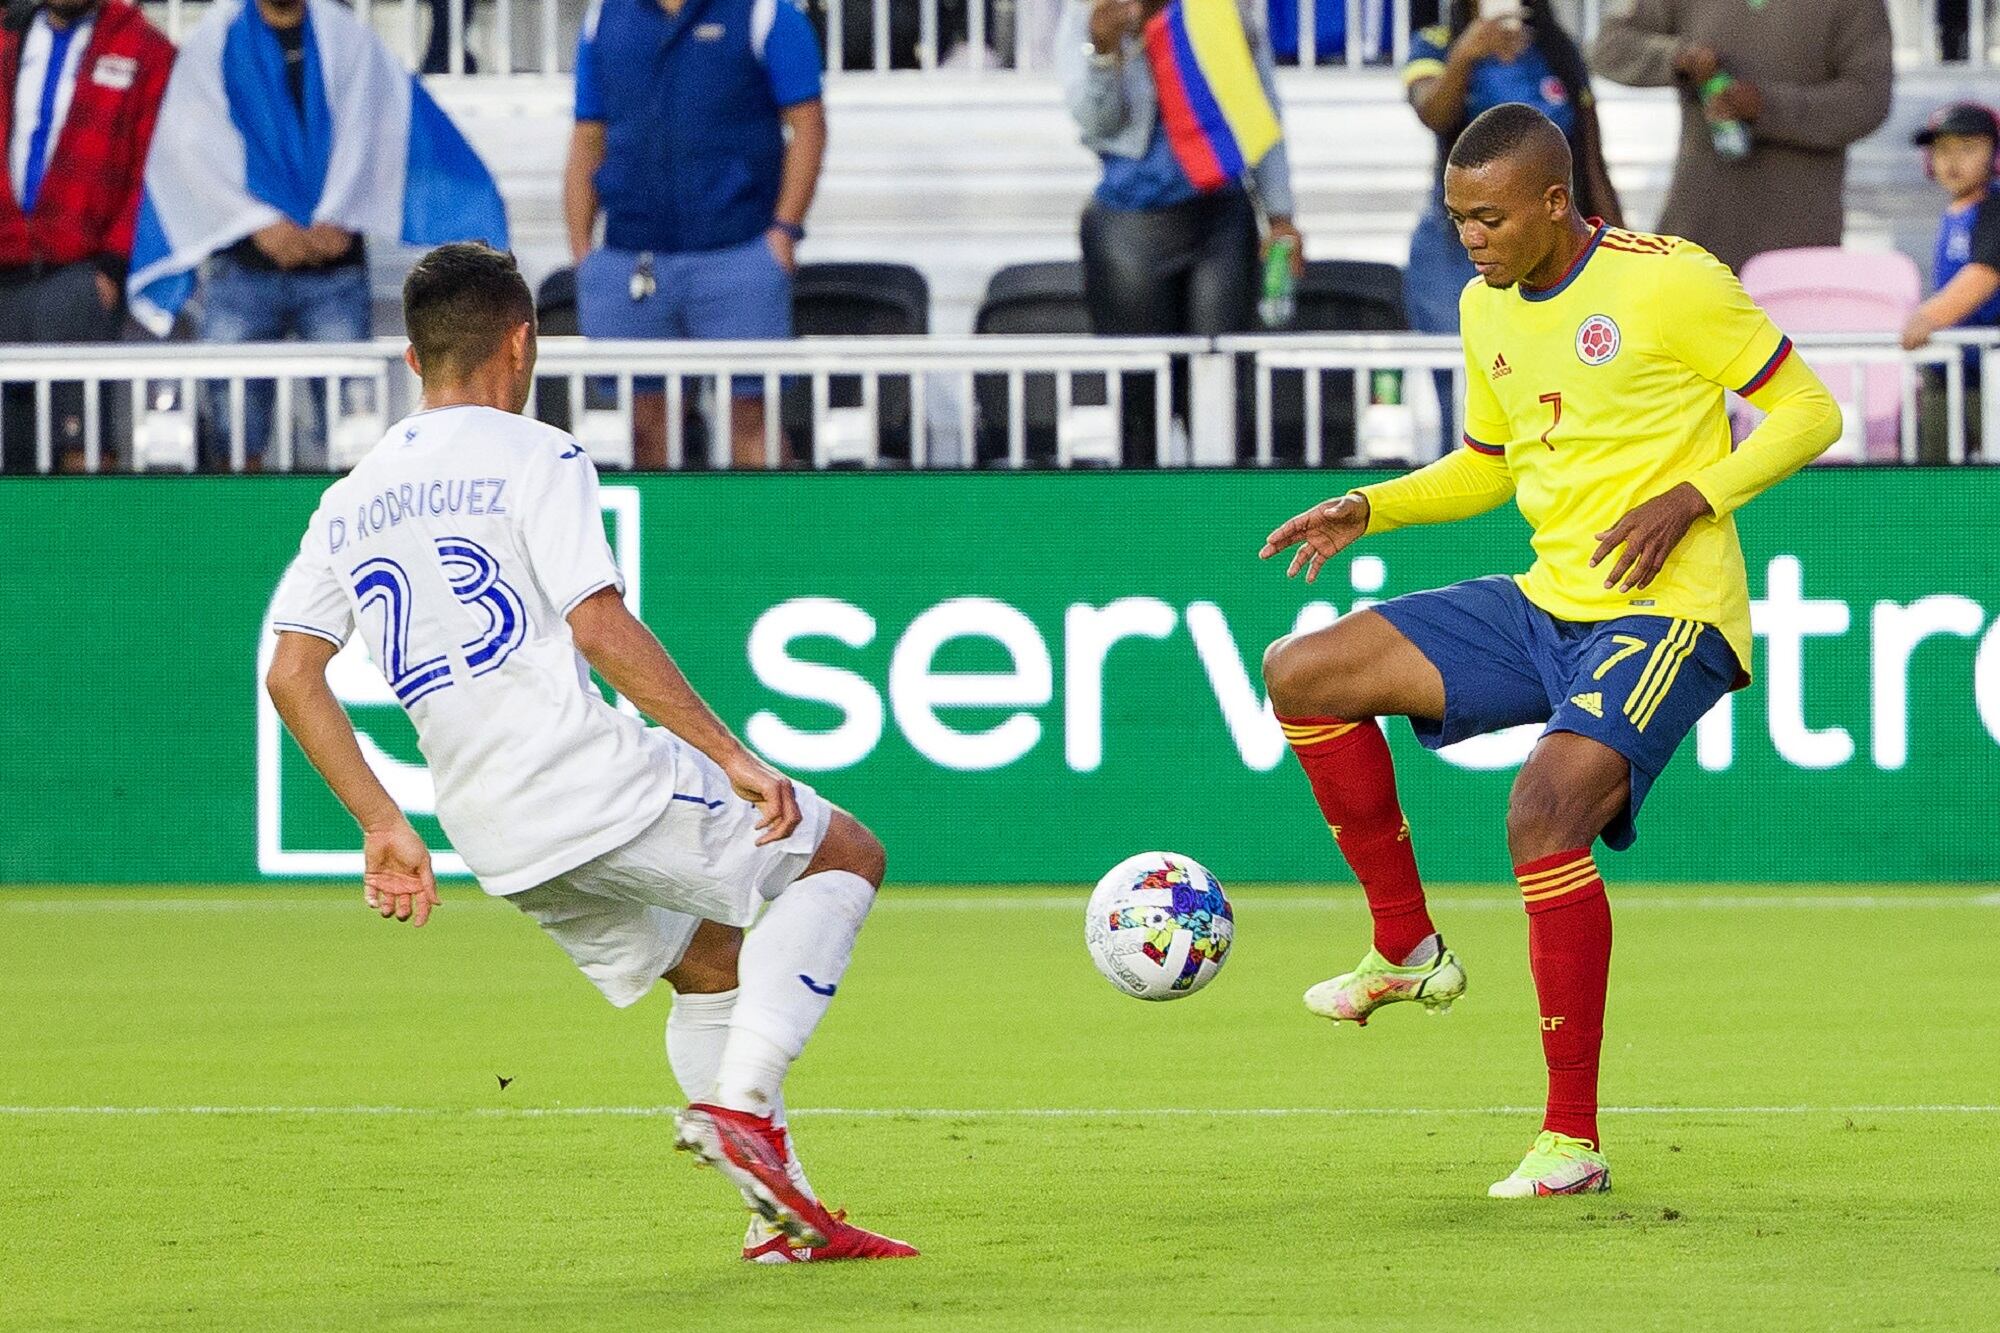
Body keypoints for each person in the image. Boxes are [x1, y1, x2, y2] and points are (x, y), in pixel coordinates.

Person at [262, 243, 915, 1262]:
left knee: (709, 966)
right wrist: (732, 754)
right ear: (522, 342)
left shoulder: (350, 497)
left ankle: (775, 1222)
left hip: (489, 826)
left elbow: (292, 673)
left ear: (410, 359)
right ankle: (743, 1108)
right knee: (847, 856)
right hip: (585, 777)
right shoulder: (537, 454)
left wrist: (382, 821)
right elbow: (598, 623)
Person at [1258, 105, 1839, 1197]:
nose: (1467, 239)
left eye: (1485, 217)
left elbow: (1810, 412)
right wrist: (1366, 506)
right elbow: (1487, 464)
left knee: (1539, 812)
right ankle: (1405, 948)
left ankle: (1569, 1139)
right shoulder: (1484, 307)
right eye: (1454, 218)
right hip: (1544, 602)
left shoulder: (1669, 281)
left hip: (1665, 613)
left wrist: (1691, 494)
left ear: (1552, 203)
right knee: (1302, 671)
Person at [127, 0, 506, 469]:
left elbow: (382, 129)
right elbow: (193, 145)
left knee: (354, 428)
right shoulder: (215, 40)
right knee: (234, 433)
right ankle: (236, 532)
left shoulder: (347, 38)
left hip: (335, 268)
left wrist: (344, 211)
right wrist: (259, 225)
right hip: (244, 268)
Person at [563, 0, 827, 470]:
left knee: (751, 424)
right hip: (631, 257)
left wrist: (784, 231)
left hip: (739, 250)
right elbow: (588, 134)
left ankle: (779, 543)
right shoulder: (604, 16)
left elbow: (808, 125)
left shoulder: (766, 11)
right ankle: (665, 544)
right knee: (646, 428)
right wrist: (583, 250)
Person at [1402, 0, 1617, 451]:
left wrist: (1616, 239)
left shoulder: (1557, 48)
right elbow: (1432, 113)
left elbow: (1591, 157)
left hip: (1551, 244)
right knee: (1465, 391)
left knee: (1562, 383)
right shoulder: (1436, 44)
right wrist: (1466, 54)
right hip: (1460, 247)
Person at [1590, 0, 1892, 275]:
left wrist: (1764, 106)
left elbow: (1868, 99)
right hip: (1697, 234)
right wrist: (1679, 57)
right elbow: (1609, 48)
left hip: (1799, 244)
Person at [0, 0, 173, 473]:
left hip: (80, 277)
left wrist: (113, 266)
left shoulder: (145, 49)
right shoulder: (7, 36)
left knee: (85, 449)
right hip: (5, 272)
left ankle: (85, 546)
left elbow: (151, 171)